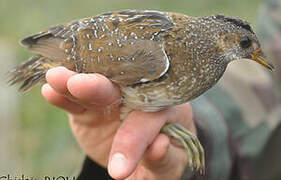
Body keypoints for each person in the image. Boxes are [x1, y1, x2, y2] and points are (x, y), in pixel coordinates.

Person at [41, 0, 281, 179]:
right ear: (222, 40)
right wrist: (203, 130)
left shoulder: (205, 62)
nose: (254, 52)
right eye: (245, 45)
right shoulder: (160, 55)